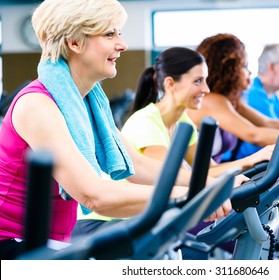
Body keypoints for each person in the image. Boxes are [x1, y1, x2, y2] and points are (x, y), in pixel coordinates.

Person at [0, 0, 228, 260]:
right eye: (110, 34)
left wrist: (211, 183)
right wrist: (190, 194)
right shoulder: (37, 104)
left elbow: (138, 166)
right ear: (74, 42)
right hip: (12, 245)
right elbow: (93, 195)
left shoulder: (87, 101)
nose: (122, 44)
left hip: (52, 241)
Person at [121, 47, 274, 179]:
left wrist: (254, 160)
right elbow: (181, 178)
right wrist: (252, 159)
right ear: (170, 84)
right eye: (198, 81)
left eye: (205, 80)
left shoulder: (183, 121)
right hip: (127, 213)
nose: (206, 89)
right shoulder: (146, 123)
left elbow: (208, 171)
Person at [186, 33, 279, 164]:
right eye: (244, 66)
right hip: (199, 177)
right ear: (228, 69)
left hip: (214, 174)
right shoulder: (210, 100)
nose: (250, 72)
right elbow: (254, 135)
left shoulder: (231, 102)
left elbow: (267, 123)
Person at [234, 44, 279, 160]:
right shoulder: (252, 93)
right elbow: (259, 136)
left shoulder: (273, 95)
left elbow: (275, 124)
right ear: (273, 67)